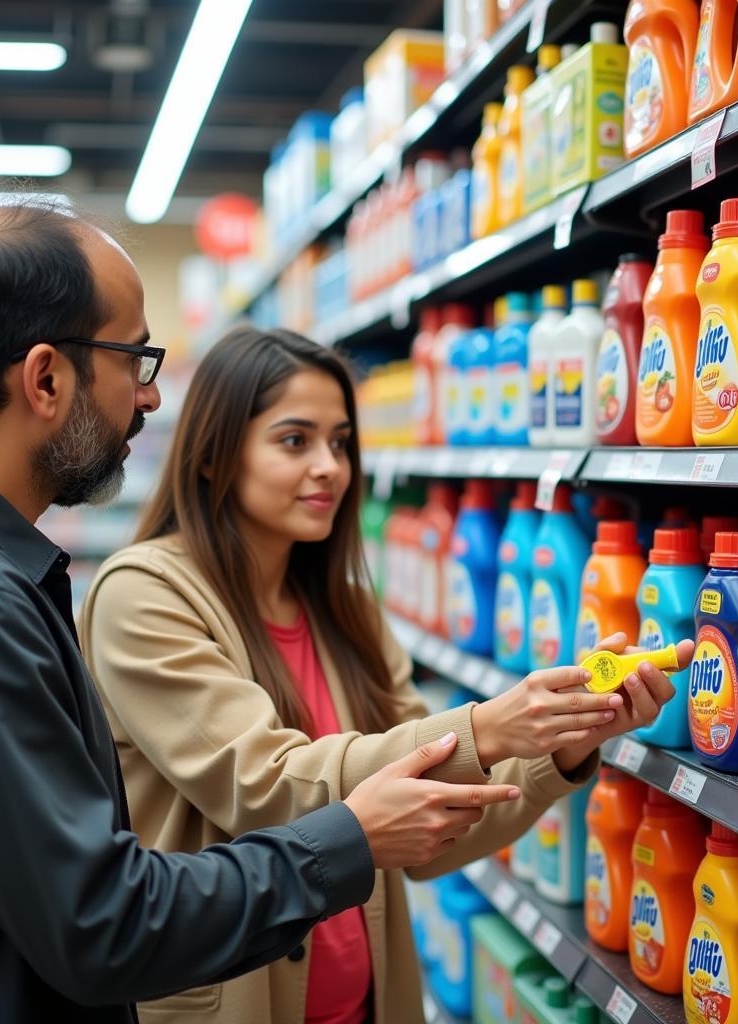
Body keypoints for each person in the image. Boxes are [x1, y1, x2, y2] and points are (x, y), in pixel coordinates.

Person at [0, 201, 522, 1024]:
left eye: (342, 441)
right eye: (134, 359)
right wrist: (353, 835)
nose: (146, 397)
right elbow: (102, 923)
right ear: (45, 378)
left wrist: (550, 744)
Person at [81, 326, 694, 1024]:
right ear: (217, 456)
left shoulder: (345, 611)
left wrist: (566, 741)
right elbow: (265, 784)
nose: (329, 468)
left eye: (340, 443)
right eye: (294, 440)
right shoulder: (144, 594)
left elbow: (433, 835)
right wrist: (488, 726)